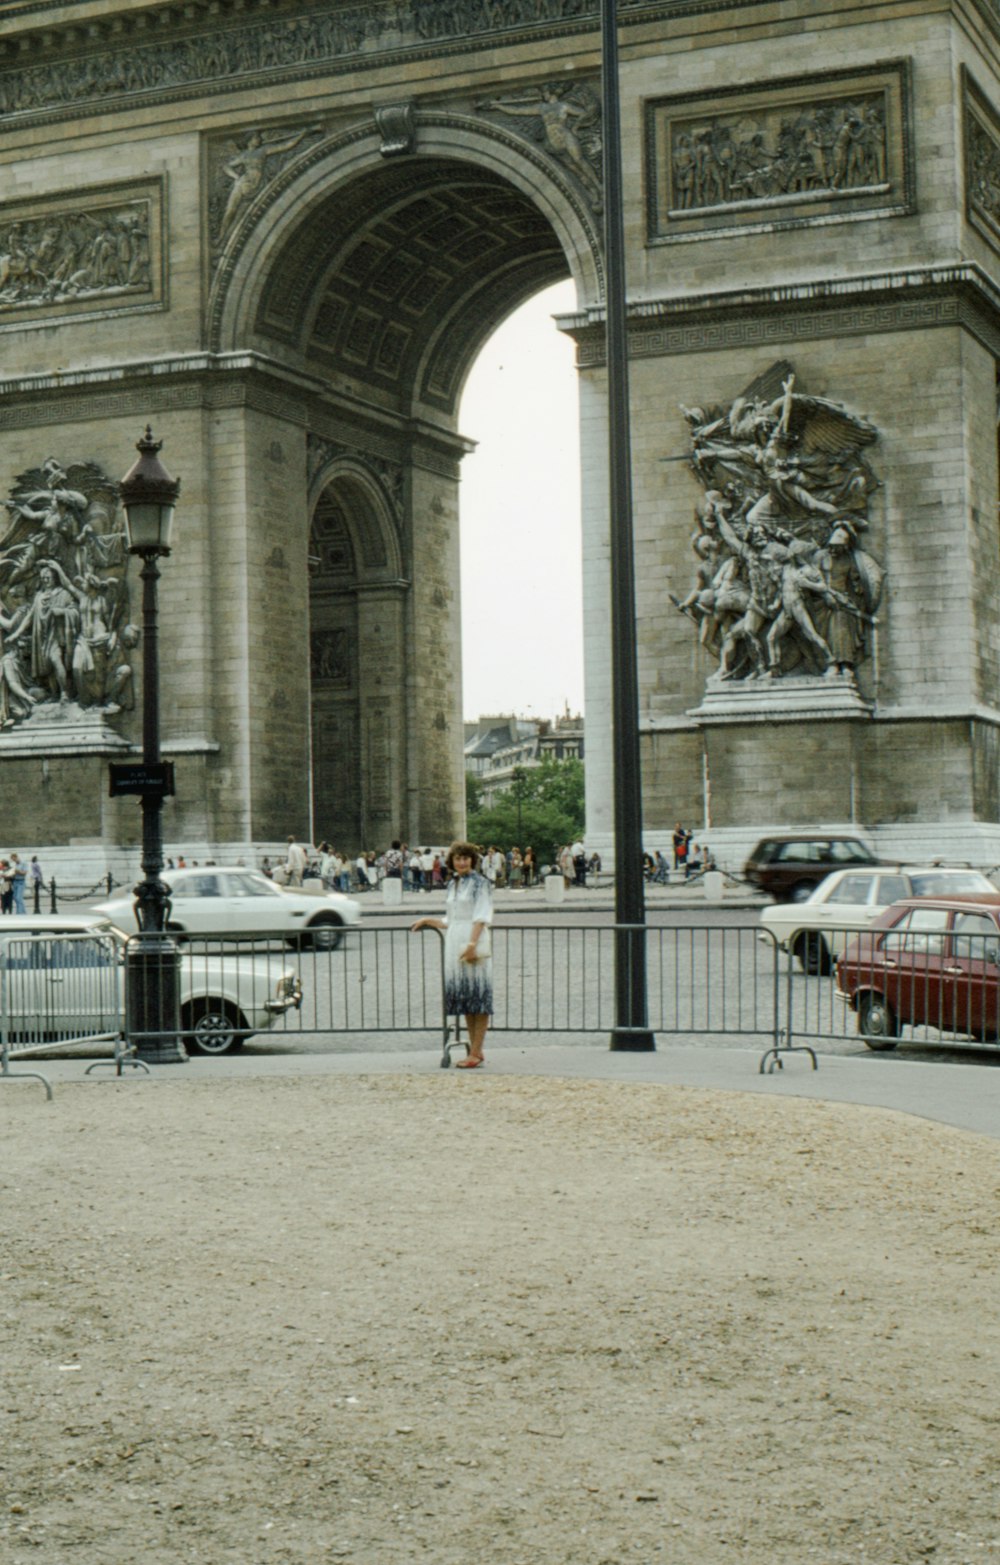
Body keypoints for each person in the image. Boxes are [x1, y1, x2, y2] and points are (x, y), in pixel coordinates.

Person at [411, 841, 493, 1069]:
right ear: (452, 861)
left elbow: (481, 915)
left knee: (479, 994)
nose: (462, 862)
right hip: (456, 939)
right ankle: (476, 1049)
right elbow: (451, 919)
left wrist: (472, 943)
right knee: (467, 997)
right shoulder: (452, 885)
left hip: (472, 940)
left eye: (466, 858)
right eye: (458, 858)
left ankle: (476, 1051)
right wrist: (428, 920)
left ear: (472, 860)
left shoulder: (480, 883)